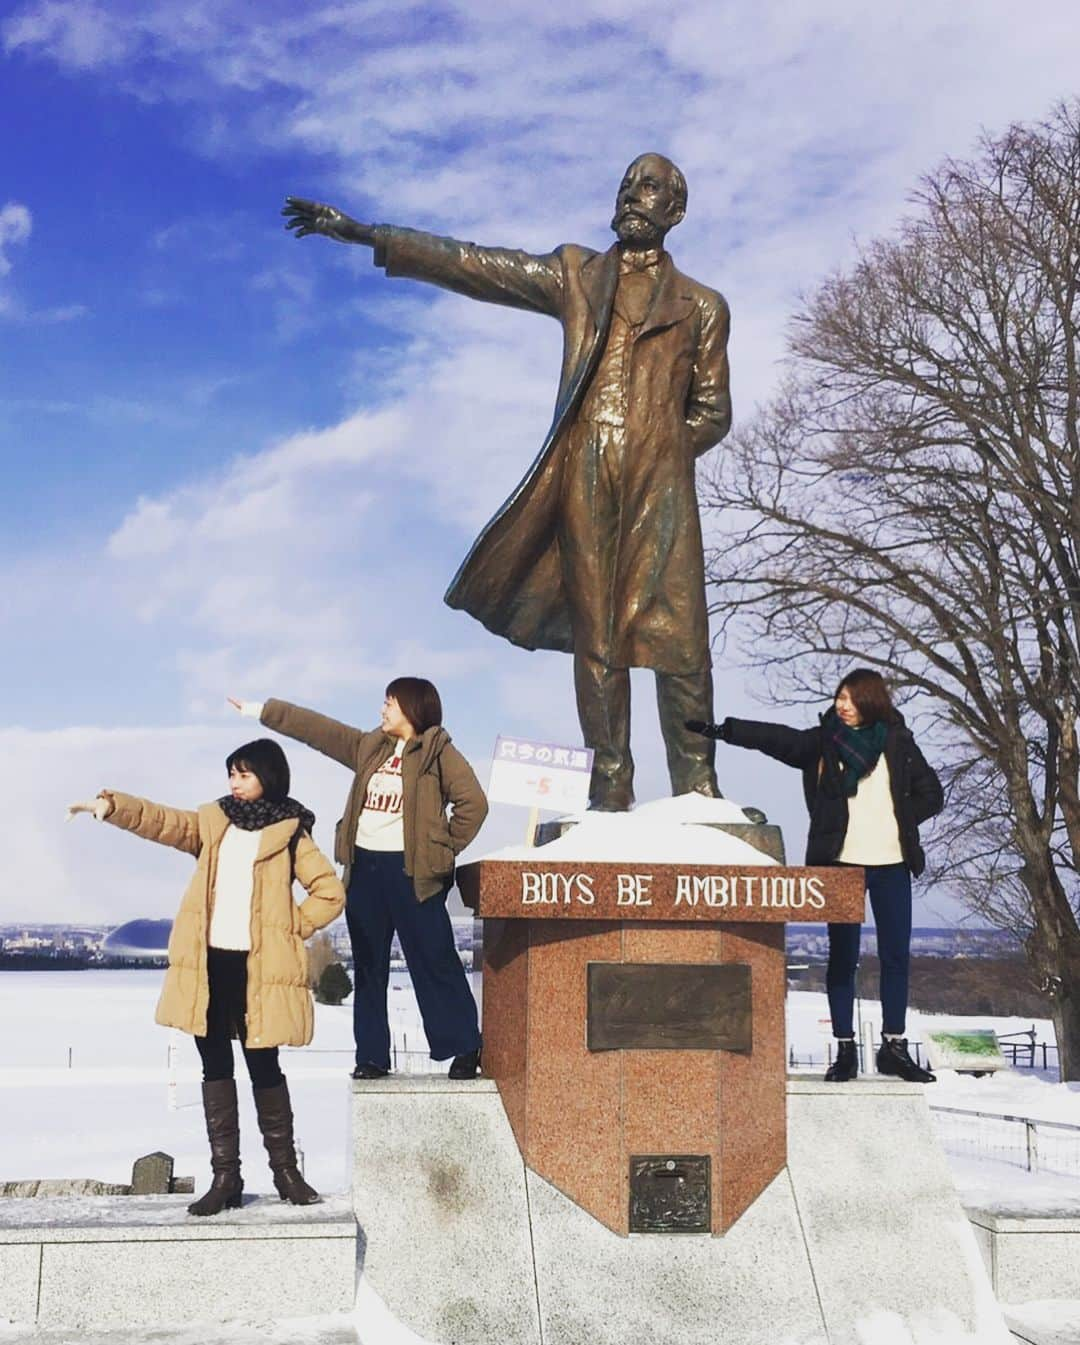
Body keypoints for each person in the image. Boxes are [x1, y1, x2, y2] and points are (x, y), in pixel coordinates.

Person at [281, 153, 731, 811]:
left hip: (660, 492)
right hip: (583, 479)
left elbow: (713, 410)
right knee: (597, 641)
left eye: (651, 187)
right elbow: (476, 265)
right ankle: (612, 786)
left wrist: (659, 449)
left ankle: (697, 784)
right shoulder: (577, 274)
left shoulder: (704, 307)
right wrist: (369, 235)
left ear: (676, 211)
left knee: (682, 638)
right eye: (627, 183)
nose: (634, 194)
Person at [67, 739, 345, 1216]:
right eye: (231, 774)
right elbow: (163, 822)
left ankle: (285, 1173)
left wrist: (289, 927)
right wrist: (111, 806)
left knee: (264, 1066)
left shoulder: (291, 832)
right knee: (215, 1066)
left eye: (243, 775)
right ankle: (226, 1177)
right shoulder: (213, 822)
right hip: (210, 964)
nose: (233, 784)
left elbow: (329, 892)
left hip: (257, 969)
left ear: (268, 777)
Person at [687, 668, 945, 1083]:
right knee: (842, 960)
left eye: (850, 698)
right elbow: (777, 739)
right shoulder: (824, 741)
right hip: (840, 864)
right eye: (839, 696)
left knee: (895, 957)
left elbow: (933, 793)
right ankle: (845, 1049)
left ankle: (893, 1048)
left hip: (892, 864)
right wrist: (725, 731)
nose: (841, 704)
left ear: (870, 701)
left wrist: (899, 822)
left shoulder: (898, 742)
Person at [229, 678, 487, 1080]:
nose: (382, 710)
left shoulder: (439, 751)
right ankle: (371, 1056)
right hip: (365, 871)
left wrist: (440, 849)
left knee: (434, 960)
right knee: (369, 967)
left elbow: (474, 804)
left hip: (414, 875)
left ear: (412, 708)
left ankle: (464, 1047)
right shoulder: (371, 746)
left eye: (389, 703)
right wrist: (262, 711)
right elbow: (319, 730)